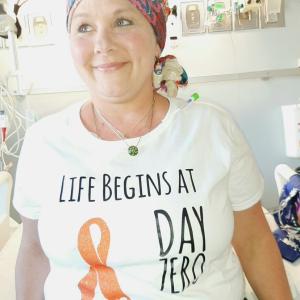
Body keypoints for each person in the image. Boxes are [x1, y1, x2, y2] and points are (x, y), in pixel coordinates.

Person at [13, 0, 292, 299]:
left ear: (156, 38)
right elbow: (34, 251)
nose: (102, 43)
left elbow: (253, 241)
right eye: (84, 27)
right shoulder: (44, 142)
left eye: (122, 22)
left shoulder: (212, 129)